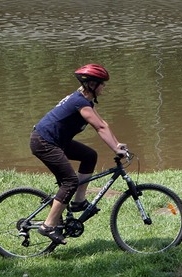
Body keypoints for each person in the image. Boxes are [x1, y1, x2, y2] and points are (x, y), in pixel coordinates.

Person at [30, 64, 127, 244]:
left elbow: (102, 123)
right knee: (70, 181)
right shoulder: (79, 102)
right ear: (92, 84)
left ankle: (78, 202)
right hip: (44, 142)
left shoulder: (85, 100)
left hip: (57, 141)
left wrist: (117, 144)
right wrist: (116, 149)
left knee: (89, 155)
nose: (104, 87)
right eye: (102, 84)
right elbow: (99, 127)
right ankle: (48, 226)